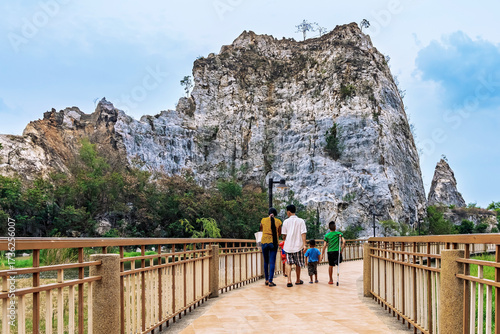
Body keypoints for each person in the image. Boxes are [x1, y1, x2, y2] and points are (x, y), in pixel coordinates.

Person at [281, 204, 307, 287]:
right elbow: (303, 233)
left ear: (288, 212)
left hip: (288, 246)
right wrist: (304, 244)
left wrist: (285, 238)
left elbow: (284, 235)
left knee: (288, 263)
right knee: (298, 263)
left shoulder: (285, 221)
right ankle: (298, 280)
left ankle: (289, 280)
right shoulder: (301, 221)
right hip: (298, 246)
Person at [260, 207, 282, 287]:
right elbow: (279, 233)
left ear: (268, 213)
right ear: (275, 214)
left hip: (264, 242)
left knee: (266, 261)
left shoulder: (263, 220)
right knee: (272, 262)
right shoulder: (278, 222)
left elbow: (261, 228)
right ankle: (270, 281)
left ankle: (266, 279)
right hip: (274, 242)